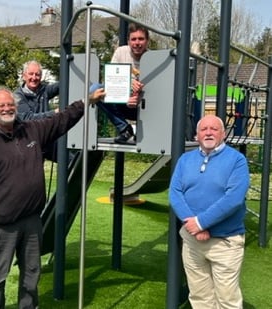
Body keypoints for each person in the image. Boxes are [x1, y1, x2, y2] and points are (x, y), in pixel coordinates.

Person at [0, 87, 105, 309]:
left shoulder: (32, 130)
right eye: (1, 105)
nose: (7, 108)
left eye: (10, 104)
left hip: (33, 221)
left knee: (31, 274)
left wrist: (87, 101)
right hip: (2, 226)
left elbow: (62, 119)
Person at [169, 115, 250, 309]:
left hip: (225, 242)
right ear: (197, 135)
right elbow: (175, 193)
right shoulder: (185, 159)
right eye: (204, 129)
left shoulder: (237, 160)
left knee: (227, 299)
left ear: (223, 134)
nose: (208, 133)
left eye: (214, 129)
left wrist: (201, 223)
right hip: (192, 239)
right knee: (199, 296)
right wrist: (194, 225)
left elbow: (233, 199)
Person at [95, 22, 149, 143]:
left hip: (144, 108)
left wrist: (137, 98)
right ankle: (124, 128)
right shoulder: (121, 52)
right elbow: (110, 81)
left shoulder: (153, 59)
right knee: (95, 89)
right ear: (128, 41)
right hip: (121, 104)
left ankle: (145, 131)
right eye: (133, 39)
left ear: (147, 41)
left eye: (141, 39)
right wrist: (127, 87)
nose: (137, 43)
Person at [14, 60, 60, 161]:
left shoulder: (43, 90)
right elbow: (28, 118)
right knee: (33, 174)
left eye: (37, 74)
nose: (34, 78)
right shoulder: (18, 96)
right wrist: (54, 113)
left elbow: (60, 86)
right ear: (24, 75)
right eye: (31, 74)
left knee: (71, 160)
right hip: (28, 142)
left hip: (46, 140)